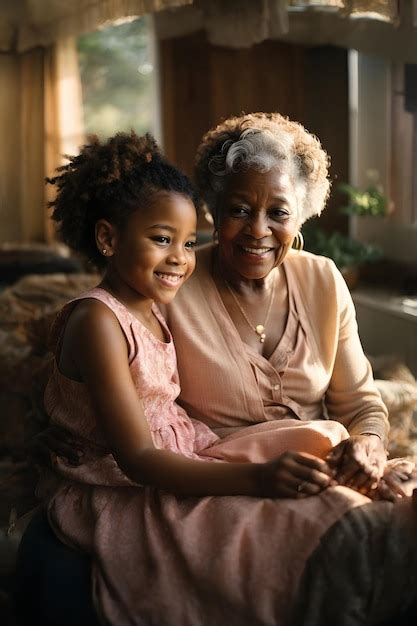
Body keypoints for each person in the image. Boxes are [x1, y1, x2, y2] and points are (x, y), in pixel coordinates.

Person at [31, 117, 417, 626]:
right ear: (214, 210)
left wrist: (368, 445)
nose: (258, 230)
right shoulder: (167, 283)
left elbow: (361, 403)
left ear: (301, 215)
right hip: (227, 470)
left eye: (278, 212)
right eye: (239, 210)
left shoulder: (322, 279)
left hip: (312, 454)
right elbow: (75, 345)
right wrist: (50, 425)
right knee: (355, 535)